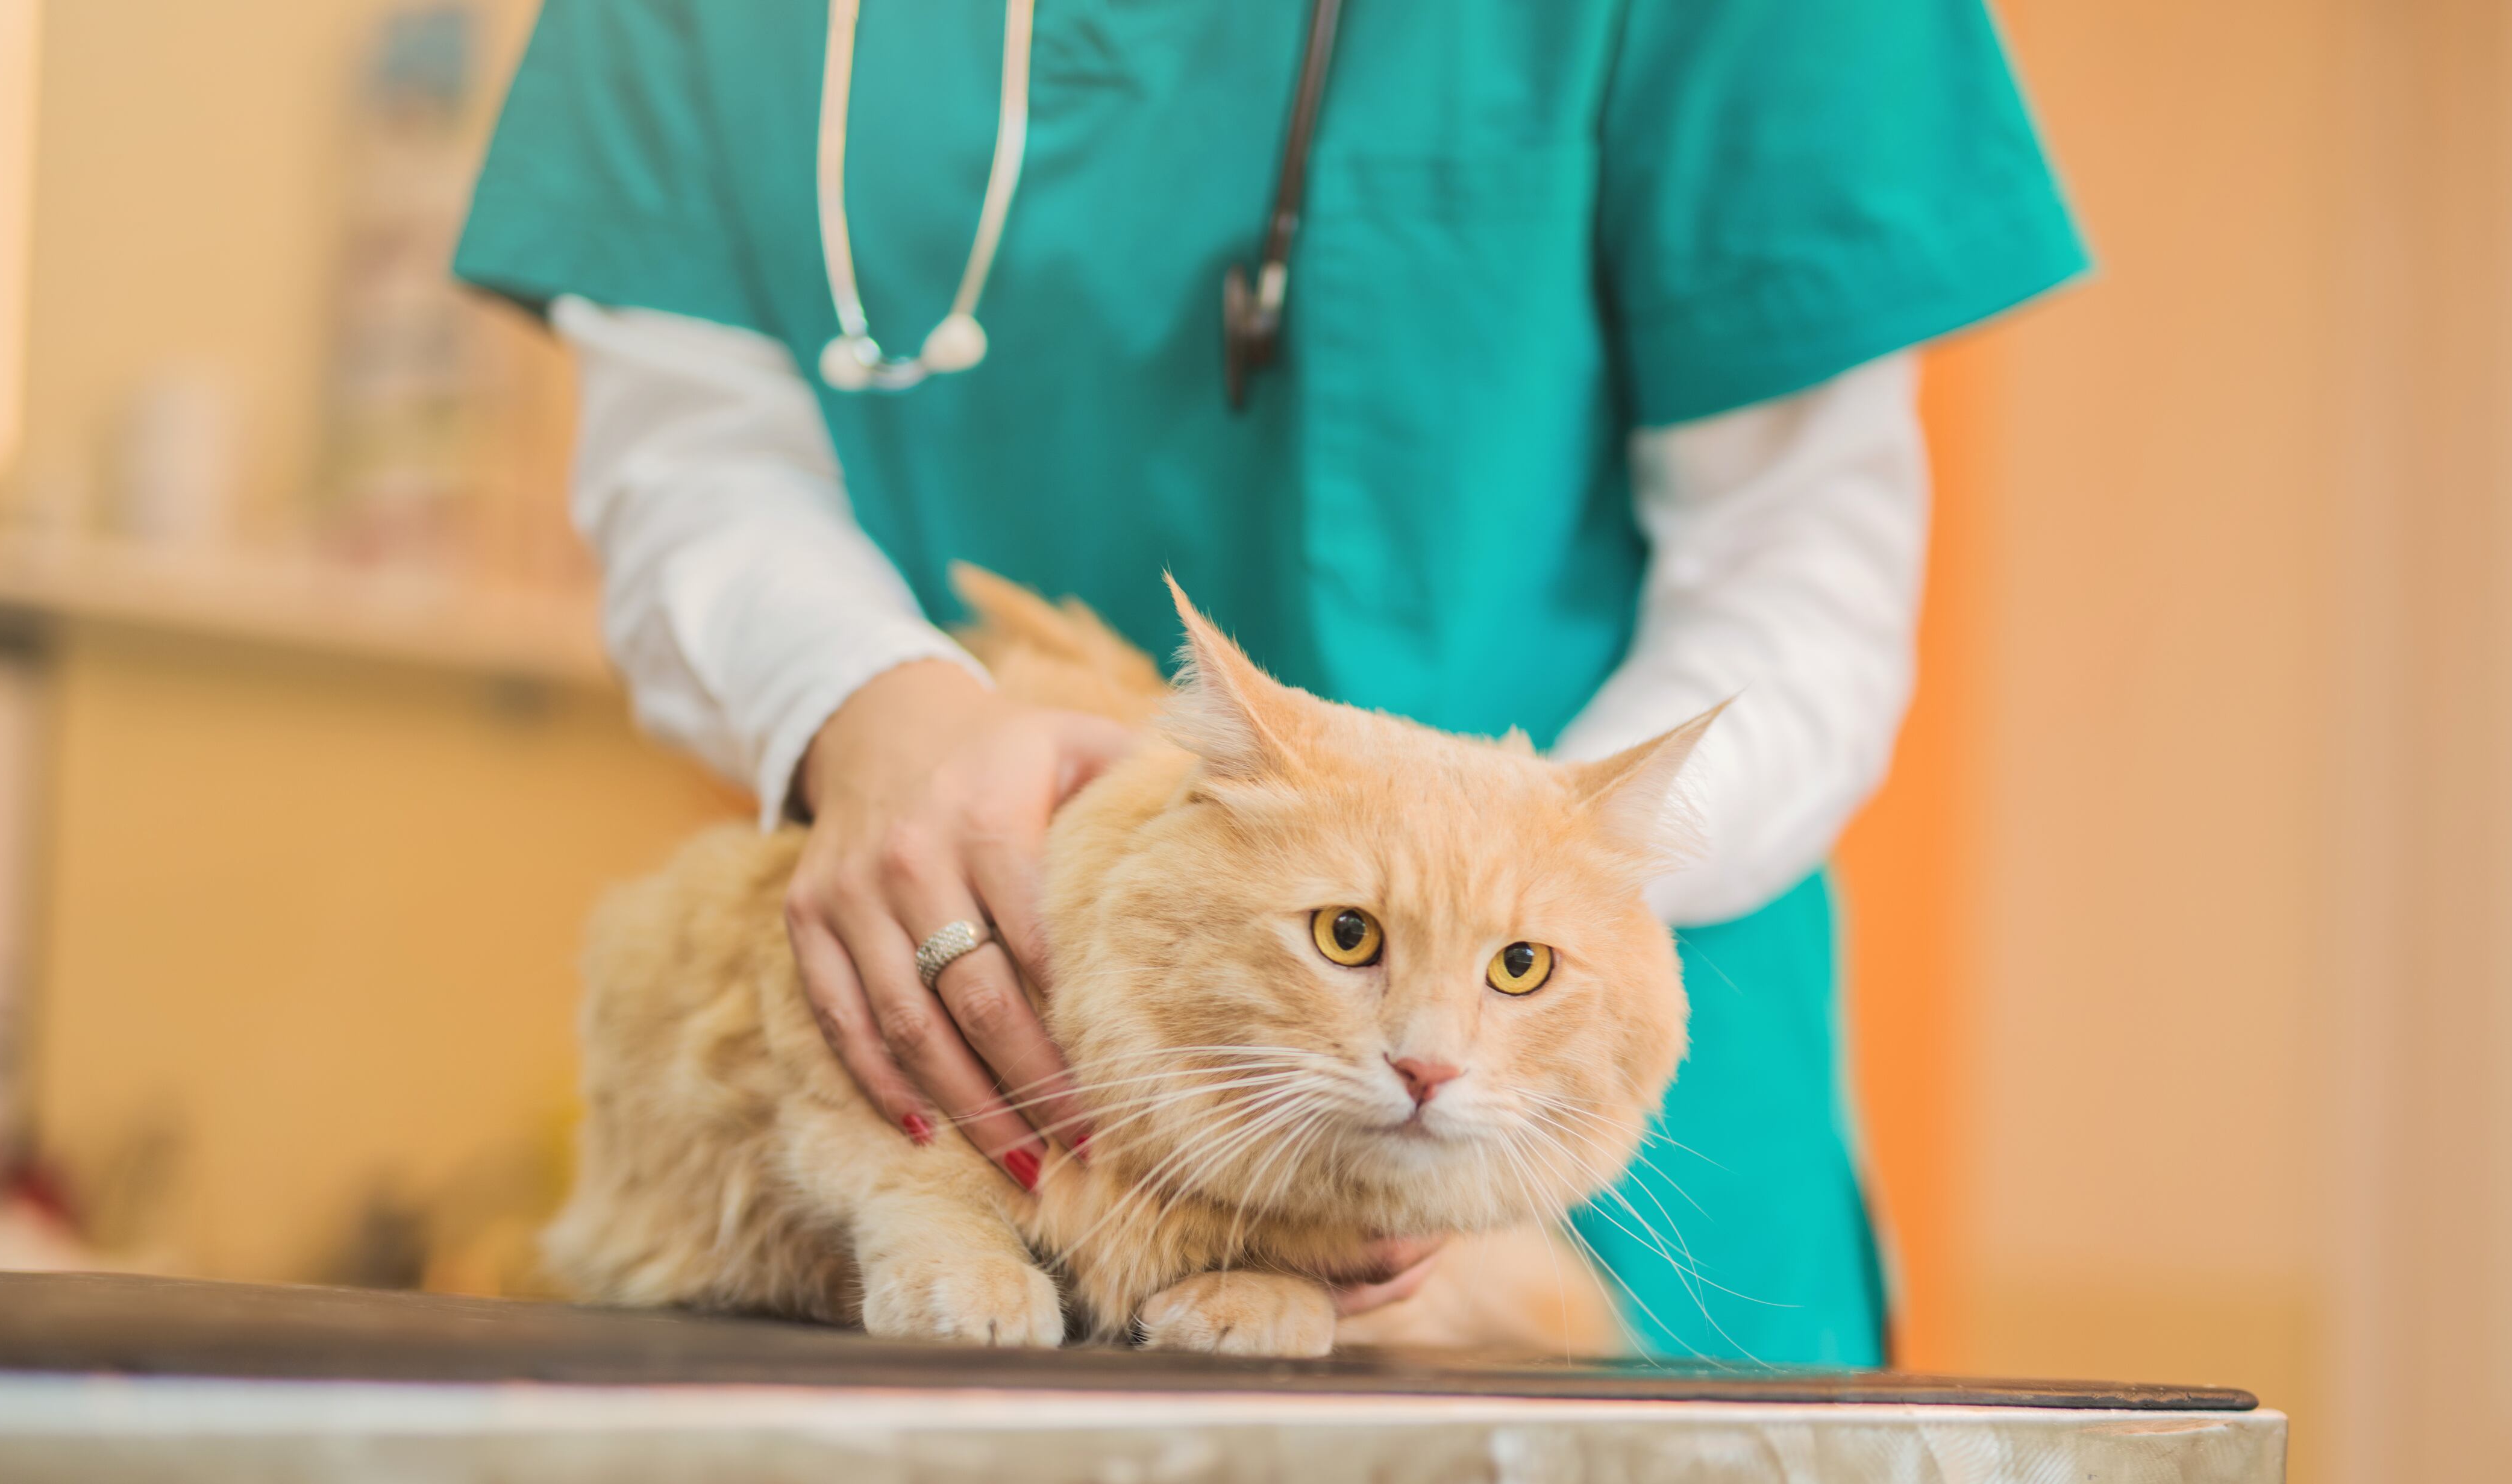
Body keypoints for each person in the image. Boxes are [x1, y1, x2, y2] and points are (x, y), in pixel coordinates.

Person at [456, 0, 2081, 1365]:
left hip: (1568, 1105)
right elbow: (686, 452)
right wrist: (872, 715)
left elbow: (1804, 568)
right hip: (989, 991)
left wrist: (1544, 884)